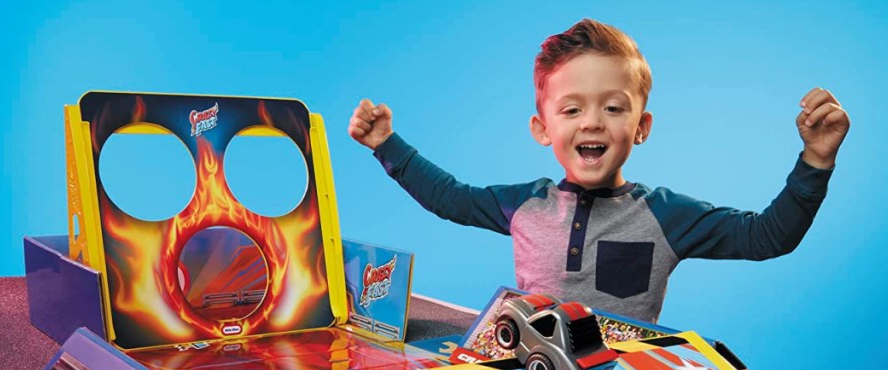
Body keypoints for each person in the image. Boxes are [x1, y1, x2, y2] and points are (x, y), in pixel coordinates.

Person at [347, 18, 850, 323]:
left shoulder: (667, 216)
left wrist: (816, 160)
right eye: (571, 110)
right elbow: (449, 197)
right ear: (543, 128)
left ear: (642, 125)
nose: (592, 121)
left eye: (613, 108)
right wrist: (386, 145)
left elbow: (767, 236)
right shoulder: (524, 204)